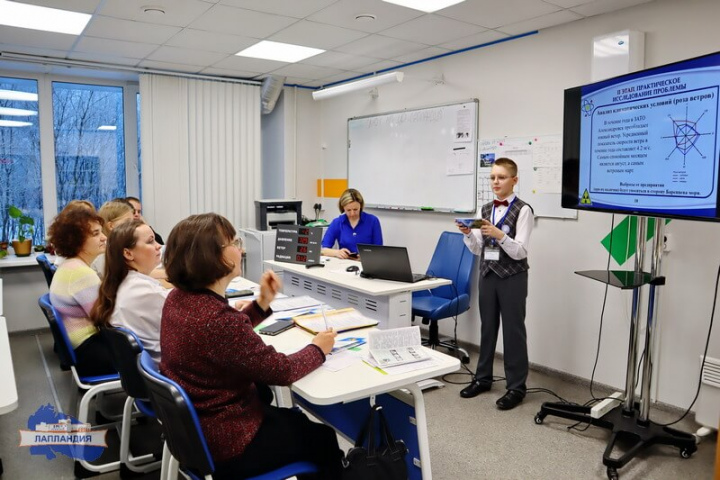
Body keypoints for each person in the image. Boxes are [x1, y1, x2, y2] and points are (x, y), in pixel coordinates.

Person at [160, 213, 342, 479]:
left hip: (199, 433)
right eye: (234, 242)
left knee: (294, 420)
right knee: (321, 436)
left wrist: (261, 304)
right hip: (231, 440)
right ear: (214, 256)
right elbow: (281, 371)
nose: (241, 248)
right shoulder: (218, 320)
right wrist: (319, 347)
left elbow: (225, 340)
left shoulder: (178, 299)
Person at [456, 157, 534, 411]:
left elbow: (520, 251)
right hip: (488, 274)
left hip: (512, 277)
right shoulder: (485, 209)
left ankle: (516, 387)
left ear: (514, 180)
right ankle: (483, 378)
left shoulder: (524, 210)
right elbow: (479, 248)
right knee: (487, 328)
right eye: (492, 177)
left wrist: (500, 235)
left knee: (513, 331)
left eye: (501, 177)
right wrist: (469, 234)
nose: (496, 182)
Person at [91, 219, 170, 362]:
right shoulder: (141, 291)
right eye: (150, 241)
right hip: (164, 369)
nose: (158, 246)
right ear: (128, 254)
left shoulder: (123, 282)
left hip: (150, 368)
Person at [48, 208, 115, 376]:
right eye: (95, 234)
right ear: (75, 240)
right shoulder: (80, 273)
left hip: (80, 347)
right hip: (90, 351)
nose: (104, 237)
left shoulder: (69, 266)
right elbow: (105, 317)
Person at [321, 188, 383, 259]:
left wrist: (366, 256)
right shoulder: (337, 222)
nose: (352, 214)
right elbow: (324, 250)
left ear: (361, 206)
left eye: (355, 209)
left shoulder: (373, 221)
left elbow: (379, 251)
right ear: (343, 208)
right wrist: (337, 252)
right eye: (348, 210)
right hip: (344, 265)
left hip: (366, 264)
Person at [92, 200, 135, 277]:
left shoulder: (120, 246)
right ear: (111, 226)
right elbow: (122, 276)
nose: (133, 226)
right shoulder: (103, 250)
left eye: (133, 222)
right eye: (128, 222)